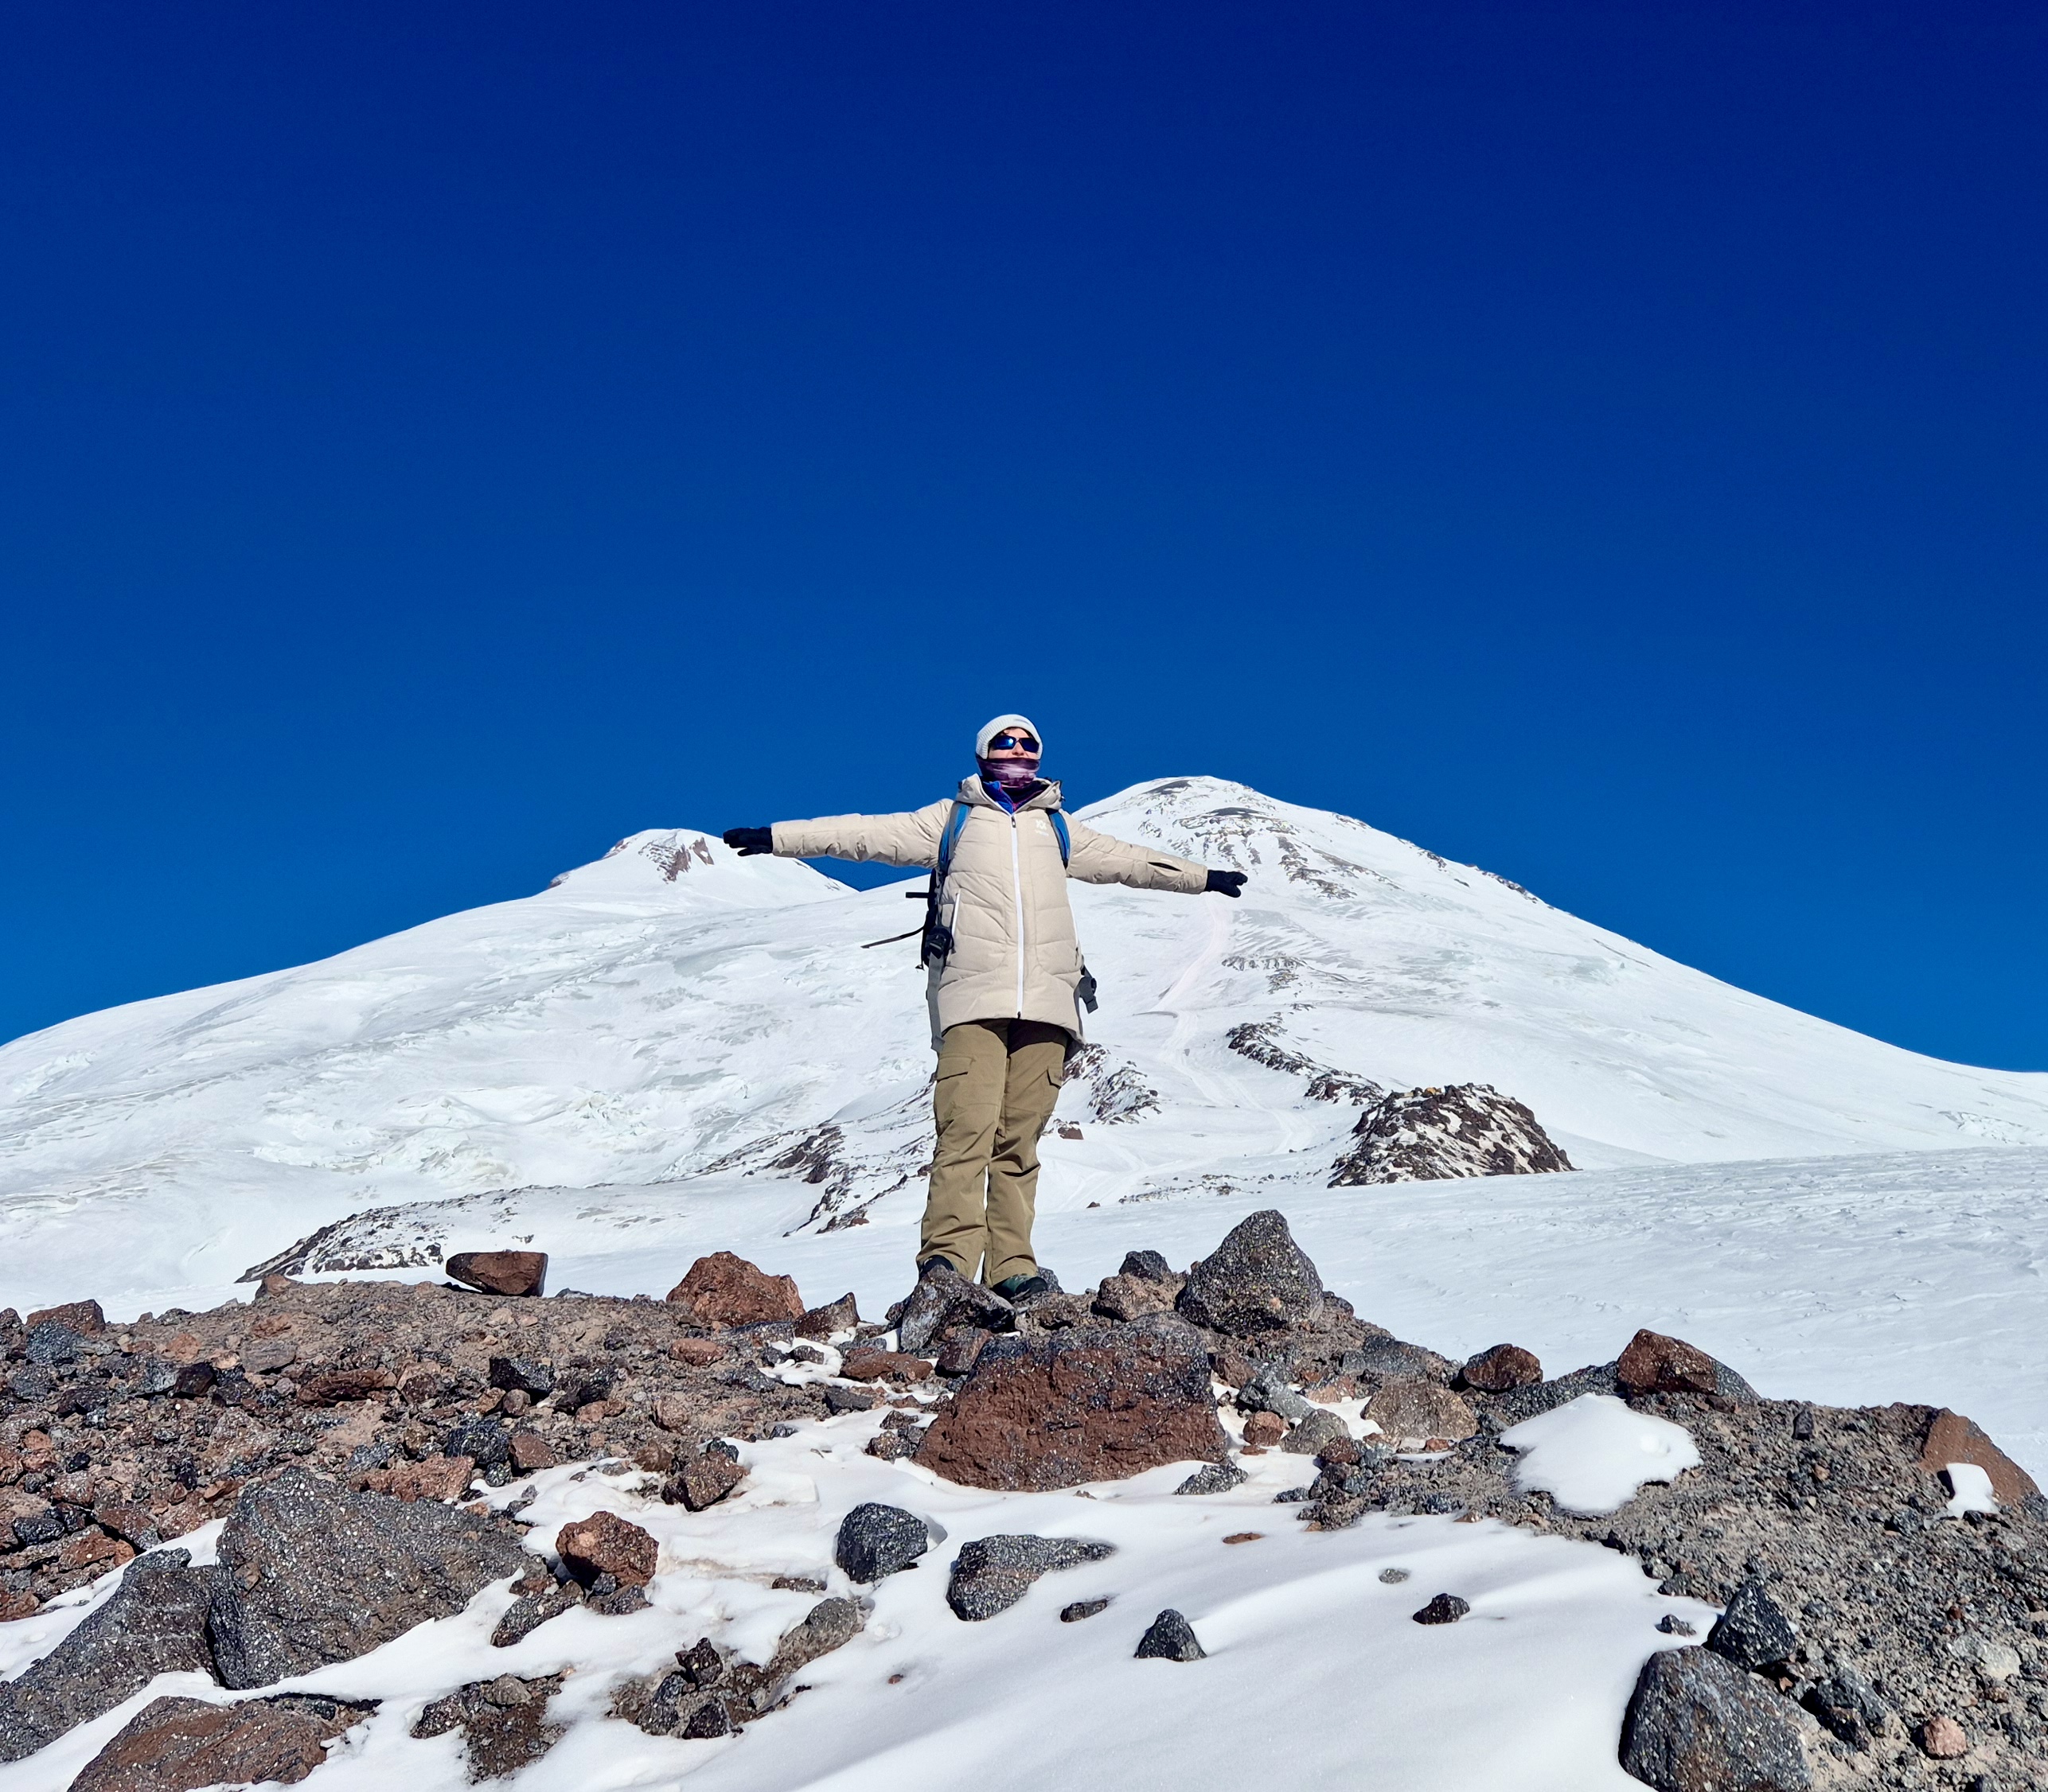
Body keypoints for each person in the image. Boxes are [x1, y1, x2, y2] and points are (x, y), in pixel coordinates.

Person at [724, 715, 1246, 1301]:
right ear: (982, 754)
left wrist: (1203, 877)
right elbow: (862, 834)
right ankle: (946, 1264)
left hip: (1049, 1004)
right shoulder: (950, 821)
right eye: (1004, 742)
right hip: (972, 999)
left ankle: (1012, 1268)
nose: (1017, 749)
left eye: (1028, 743)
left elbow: (1130, 861)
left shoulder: (1059, 828)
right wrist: (777, 837)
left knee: (1019, 1144)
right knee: (965, 1131)